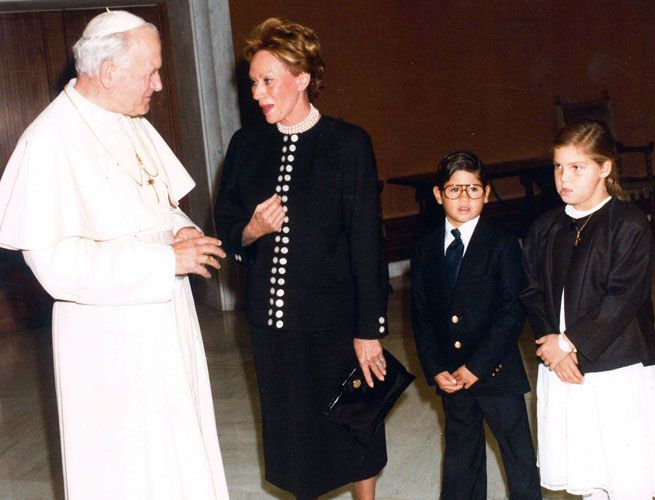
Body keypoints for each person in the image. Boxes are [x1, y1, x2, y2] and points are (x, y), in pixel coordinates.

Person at [0, 10, 229, 499]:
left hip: (167, 325)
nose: (160, 84)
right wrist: (165, 261)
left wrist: (186, 234)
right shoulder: (49, 141)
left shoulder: (131, 121)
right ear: (108, 73)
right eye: (150, 72)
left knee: (178, 454)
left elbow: (159, 203)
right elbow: (56, 268)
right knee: (125, 470)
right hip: (108, 347)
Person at [214, 17, 389, 500]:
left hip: (335, 320)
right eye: (253, 81)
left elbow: (366, 245)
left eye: (268, 80)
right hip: (274, 326)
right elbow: (225, 224)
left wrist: (368, 330)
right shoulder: (245, 146)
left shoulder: (348, 143)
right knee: (295, 439)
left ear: (304, 77)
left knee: (357, 421)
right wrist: (252, 229)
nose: (257, 93)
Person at [520, 120, 655, 499]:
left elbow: (623, 296)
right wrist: (551, 348)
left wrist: (570, 342)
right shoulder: (544, 227)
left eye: (578, 167)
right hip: (562, 364)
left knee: (624, 469)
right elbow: (530, 290)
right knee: (586, 467)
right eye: (559, 167)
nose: (564, 178)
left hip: (614, 362)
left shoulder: (628, 224)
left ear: (605, 168)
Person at [410, 151, 541, 500]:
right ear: (438, 195)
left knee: (518, 457)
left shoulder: (501, 246)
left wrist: (476, 367)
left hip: (495, 372)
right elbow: (421, 317)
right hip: (452, 378)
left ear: (486, 193)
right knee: (460, 457)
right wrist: (436, 367)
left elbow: (511, 313)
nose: (464, 198)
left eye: (472, 189)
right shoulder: (424, 250)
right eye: (454, 190)